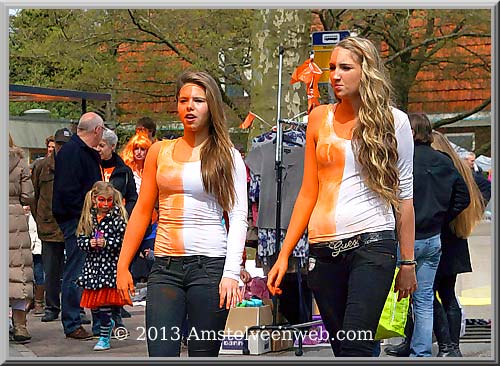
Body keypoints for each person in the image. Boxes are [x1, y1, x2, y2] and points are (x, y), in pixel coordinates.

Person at [266, 36, 417, 357]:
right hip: (323, 251)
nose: (334, 75)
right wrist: (284, 254)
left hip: (373, 245)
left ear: (367, 71)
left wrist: (408, 262)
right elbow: (308, 190)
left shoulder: (395, 121)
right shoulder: (319, 118)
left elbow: (405, 197)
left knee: (356, 344)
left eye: (345, 67)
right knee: (344, 349)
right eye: (331, 67)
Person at [117, 70, 248, 357]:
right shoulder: (159, 152)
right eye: (183, 100)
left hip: (210, 268)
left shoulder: (228, 155)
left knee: (203, 354)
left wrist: (231, 274)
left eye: (198, 100)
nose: (190, 107)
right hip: (165, 268)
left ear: (211, 105)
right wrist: (123, 264)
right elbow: (142, 210)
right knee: (161, 353)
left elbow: (238, 216)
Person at [407, 114, 470, 357]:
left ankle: (426, 347)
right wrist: (442, 215)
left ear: (411, 132)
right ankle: (432, 350)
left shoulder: (404, 161)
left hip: (411, 235)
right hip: (435, 236)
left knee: (421, 297)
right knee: (429, 297)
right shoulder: (444, 161)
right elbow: (463, 196)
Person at [431, 131, 485, 356]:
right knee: (448, 294)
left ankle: (445, 344)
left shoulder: (438, 169)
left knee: (428, 294)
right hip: (456, 237)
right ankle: (454, 347)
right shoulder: (459, 168)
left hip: (439, 236)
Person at [52, 112, 105, 339]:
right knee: (76, 270)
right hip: (77, 219)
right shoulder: (74, 153)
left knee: (84, 269)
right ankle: (72, 321)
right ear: (97, 130)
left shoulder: (81, 152)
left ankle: (79, 317)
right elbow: (68, 191)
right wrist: (86, 215)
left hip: (82, 217)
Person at [76, 181, 131, 351]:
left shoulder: (117, 217)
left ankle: (104, 337)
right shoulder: (88, 217)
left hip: (110, 267)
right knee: (97, 306)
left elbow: (125, 241)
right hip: (93, 268)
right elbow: (80, 239)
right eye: (102, 200)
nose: (105, 204)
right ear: (94, 199)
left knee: (106, 304)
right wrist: (89, 243)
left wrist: (107, 242)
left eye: (109, 200)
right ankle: (109, 326)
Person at [95, 128, 137, 334]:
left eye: (102, 145)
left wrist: (125, 215)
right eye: (97, 145)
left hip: (117, 226)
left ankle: (117, 315)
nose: (98, 149)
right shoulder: (91, 166)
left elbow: (133, 197)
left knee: (115, 269)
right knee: (96, 272)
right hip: (96, 224)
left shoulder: (124, 171)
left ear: (112, 147)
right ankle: (100, 320)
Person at [31, 128, 71, 323]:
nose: (62, 148)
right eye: (59, 144)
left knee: (73, 271)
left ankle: (74, 308)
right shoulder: (42, 166)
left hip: (71, 224)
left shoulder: (75, 164)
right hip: (48, 224)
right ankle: (52, 307)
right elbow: (34, 196)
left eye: (65, 144)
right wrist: (39, 219)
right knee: (51, 270)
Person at [9, 134, 35, 343]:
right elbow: (28, 195)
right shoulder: (19, 161)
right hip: (15, 218)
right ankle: (20, 326)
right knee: (18, 273)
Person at [120, 131, 155, 284]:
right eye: (136, 149)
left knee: (149, 253)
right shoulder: (127, 171)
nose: (139, 153)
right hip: (131, 216)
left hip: (152, 219)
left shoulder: (153, 170)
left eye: (143, 149)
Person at [25, 205, 45, 317]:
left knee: (39, 273)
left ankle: (39, 301)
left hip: (38, 245)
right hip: (25, 245)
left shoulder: (39, 210)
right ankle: (30, 299)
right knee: (26, 275)